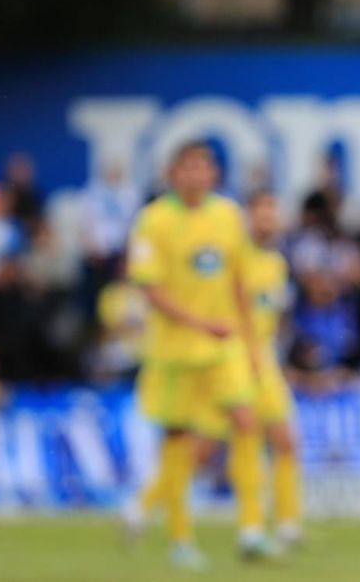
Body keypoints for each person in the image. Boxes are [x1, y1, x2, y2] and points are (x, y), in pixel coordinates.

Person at [122, 141, 270, 569]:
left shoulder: (228, 215)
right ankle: (180, 538)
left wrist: (252, 343)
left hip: (224, 345)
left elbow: (238, 280)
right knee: (180, 442)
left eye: (202, 167)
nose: (195, 175)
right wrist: (200, 322)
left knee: (246, 420)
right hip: (175, 351)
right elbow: (149, 288)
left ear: (214, 174)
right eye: (187, 167)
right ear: (172, 174)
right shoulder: (153, 221)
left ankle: (251, 529)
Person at [240, 191, 305, 550]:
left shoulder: (277, 262)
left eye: (273, 211)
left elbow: (276, 316)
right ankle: (251, 527)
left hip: (265, 360)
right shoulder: (236, 258)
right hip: (234, 359)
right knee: (223, 445)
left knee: (284, 441)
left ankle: (286, 523)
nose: (269, 218)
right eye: (262, 211)